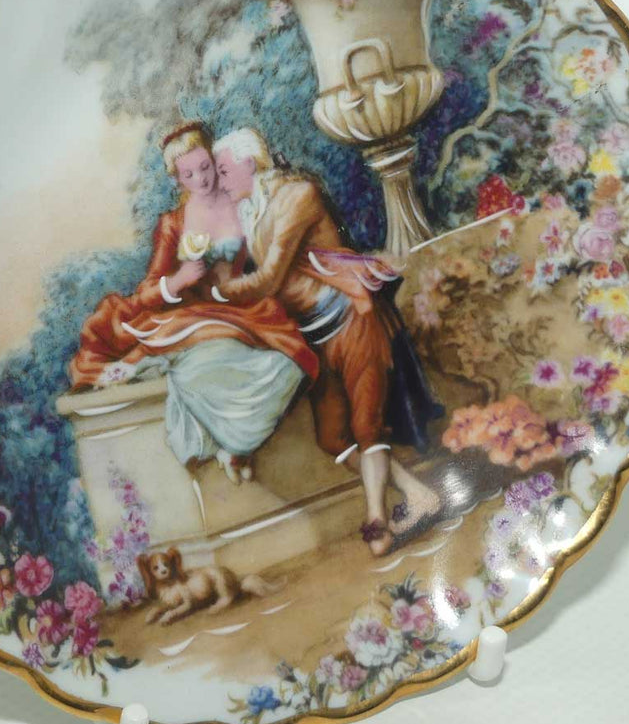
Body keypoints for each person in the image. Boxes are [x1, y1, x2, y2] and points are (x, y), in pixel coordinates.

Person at [212, 128, 443, 556]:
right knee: (333, 438)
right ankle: (418, 494)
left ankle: (377, 523)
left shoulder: (297, 196)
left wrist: (222, 289)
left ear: (248, 163)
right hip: (316, 335)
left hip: (353, 319)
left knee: (366, 428)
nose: (220, 181)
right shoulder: (251, 211)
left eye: (224, 171)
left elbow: (269, 278)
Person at [68, 122, 317, 482]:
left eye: (205, 167)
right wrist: (178, 281)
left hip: (239, 307)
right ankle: (226, 444)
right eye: (189, 174)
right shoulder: (174, 223)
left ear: (215, 161)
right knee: (199, 363)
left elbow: (269, 254)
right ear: (177, 179)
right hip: (188, 311)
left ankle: (236, 445)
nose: (201, 179)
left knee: (288, 363)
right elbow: (149, 288)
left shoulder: (243, 200)